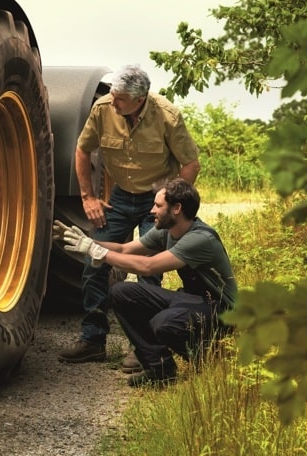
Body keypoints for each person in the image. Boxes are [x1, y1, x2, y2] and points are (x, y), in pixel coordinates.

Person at [58, 64, 201, 366]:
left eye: (120, 98)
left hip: (156, 195)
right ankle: (92, 339)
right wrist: (88, 198)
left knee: (149, 270)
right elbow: (82, 151)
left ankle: (146, 347)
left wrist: (170, 202)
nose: (113, 101)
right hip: (120, 197)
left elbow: (190, 165)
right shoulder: (102, 108)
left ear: (140, 99)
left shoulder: (167, 116)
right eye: (112, 94)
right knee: (94, 258)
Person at [53, 178, 236, 387]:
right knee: (121, 292)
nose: (151, 211)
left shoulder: (199, 239)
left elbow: (147, 267)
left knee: (164, 323)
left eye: (158, 205)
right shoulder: (167, 231)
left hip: (220, 311)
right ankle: (161, 369)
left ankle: (209, 358)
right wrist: (85, 241)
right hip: (193, 299)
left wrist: (96, 252)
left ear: (177, 208)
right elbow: (124, 249)